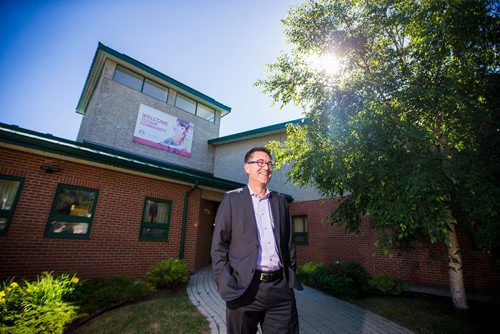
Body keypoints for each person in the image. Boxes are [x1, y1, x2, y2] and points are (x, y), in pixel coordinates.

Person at [211, 147, 303, 333]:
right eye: (260, 162)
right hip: (244, 289)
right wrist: (226, 282)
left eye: (269, 163)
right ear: (247, 167)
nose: (266, 167)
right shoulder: (232, 200)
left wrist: (289, 277)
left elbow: (288, 244)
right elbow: (218, 246)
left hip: (280, 291)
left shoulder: (280, 201)